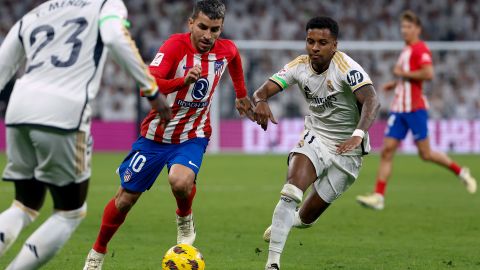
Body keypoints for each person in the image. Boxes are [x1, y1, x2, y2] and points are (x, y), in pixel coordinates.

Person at [0, 0, 171, 269]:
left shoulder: (38, 12)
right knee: (70, 213)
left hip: (18, 108)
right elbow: (115, 38)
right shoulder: (106, 5)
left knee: (24, 205)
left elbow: (3, 64)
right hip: (64, 112)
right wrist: (151, 90)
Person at [83, 0, 252, 269]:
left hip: (192, 134)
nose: (208, 36)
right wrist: (181, 82)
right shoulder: (174, 46)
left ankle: (184, 218)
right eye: (203, 27)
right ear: (190, 24)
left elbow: (235, 59)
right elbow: (146, 84)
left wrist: (241, 95)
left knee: (180, 181)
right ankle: (97, 253)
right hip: (155, 136)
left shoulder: (225, 49)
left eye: (215, 29)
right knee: (125, 200)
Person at [252, 17, 380, 270]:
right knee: (290, 193)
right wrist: (261, 101)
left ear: (334, 45)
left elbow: (372, 101)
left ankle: (286, 221)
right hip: (316, 138)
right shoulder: (298, 66)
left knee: (305, 219)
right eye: (310, 41)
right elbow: (261, 91)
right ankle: (272, 264)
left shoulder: (347, 68)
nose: (315, 48)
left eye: (323, 42)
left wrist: (358, 133)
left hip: (348, 151)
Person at [356, 10, 477, 211]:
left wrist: (402, 74)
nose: (404, 30)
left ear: (417, 29)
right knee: (386, 151)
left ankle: (461, 172)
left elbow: (428, 73)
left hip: (415, 109)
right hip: (399, 109)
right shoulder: (406, 49)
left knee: (426, 154)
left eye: (408, 27)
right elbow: (411, 76)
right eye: (403, 27)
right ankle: (378, 196)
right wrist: (396, 83)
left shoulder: (420, 49)